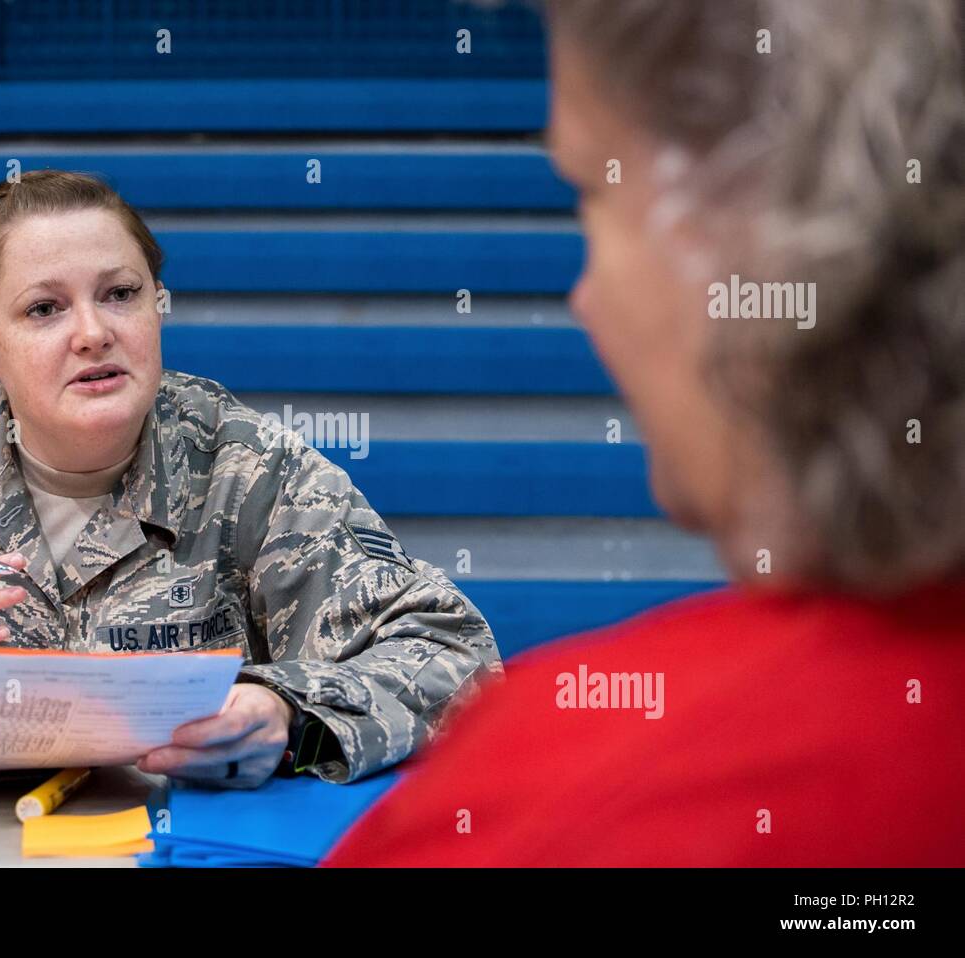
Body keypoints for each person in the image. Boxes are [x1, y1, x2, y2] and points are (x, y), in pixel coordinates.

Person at [325, 0, 965, 863]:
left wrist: (281, 709)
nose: (583, 297)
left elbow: (437, 645)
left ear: (762, 230)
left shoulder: (576, 804)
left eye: (592, 188)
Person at [0, 170, 502, 788]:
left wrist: (286, 712)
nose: (93, 333)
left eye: (121, 294)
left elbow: (456, 656)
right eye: (44, 309)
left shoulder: (244, 465)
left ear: (157, 306)